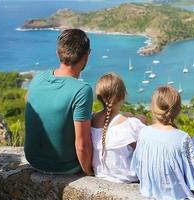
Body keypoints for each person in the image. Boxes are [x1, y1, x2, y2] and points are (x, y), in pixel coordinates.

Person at [24, 29, 94, 175]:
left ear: (58, 53)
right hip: (63, 167)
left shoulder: (38, 78)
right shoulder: (82, 90)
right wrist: (89, 173)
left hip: (33, 160)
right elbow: (82, 145)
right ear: (86, 56)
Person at [131, 86, 194, 200]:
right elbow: (191, 164)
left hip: (150, 188)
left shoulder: (144, 132)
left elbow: (137, 164)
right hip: (175, 193)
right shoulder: (182, 137)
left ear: (152, 108)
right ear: (178, 110)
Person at [91, 72, 145, 183]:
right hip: (126, 178)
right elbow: (146, 150)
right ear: (123, 95)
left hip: (100, 174)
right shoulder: (129, 125)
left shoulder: (91, 120)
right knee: (142, 119)